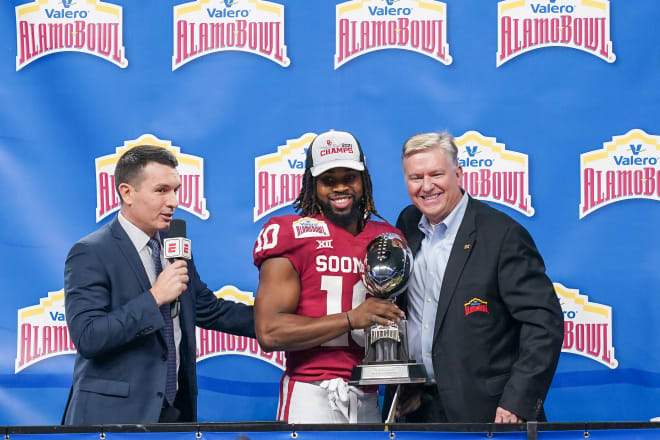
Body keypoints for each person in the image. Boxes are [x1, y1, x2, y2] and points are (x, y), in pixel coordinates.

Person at [62, 145, 255, 424]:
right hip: (111, 421)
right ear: (126, 192)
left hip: (172, 416)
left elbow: (209, 309)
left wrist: (283, 321)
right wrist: (154, 298)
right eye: (161, 190)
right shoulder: (90, 252)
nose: (174, 201)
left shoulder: (174, 248)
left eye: (176, 190)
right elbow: (89, 337)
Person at [390, 132, 564, 423]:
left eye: (436, 174)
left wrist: (518, 402)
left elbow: (543, 324)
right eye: (415, 177)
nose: (427, 186)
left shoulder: (503, 235)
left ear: (458, 173)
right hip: (419, 409)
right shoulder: (407, 224)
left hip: (490, 413)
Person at [253, 130, 405, 423]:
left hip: (369, 396)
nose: (340, 188)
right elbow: (269, 331)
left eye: (349, 177)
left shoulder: (388, 239)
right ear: (313, 184)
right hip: (311, 394)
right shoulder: (290, 233)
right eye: (328, 180)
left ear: (364, 181)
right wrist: (351, 318)